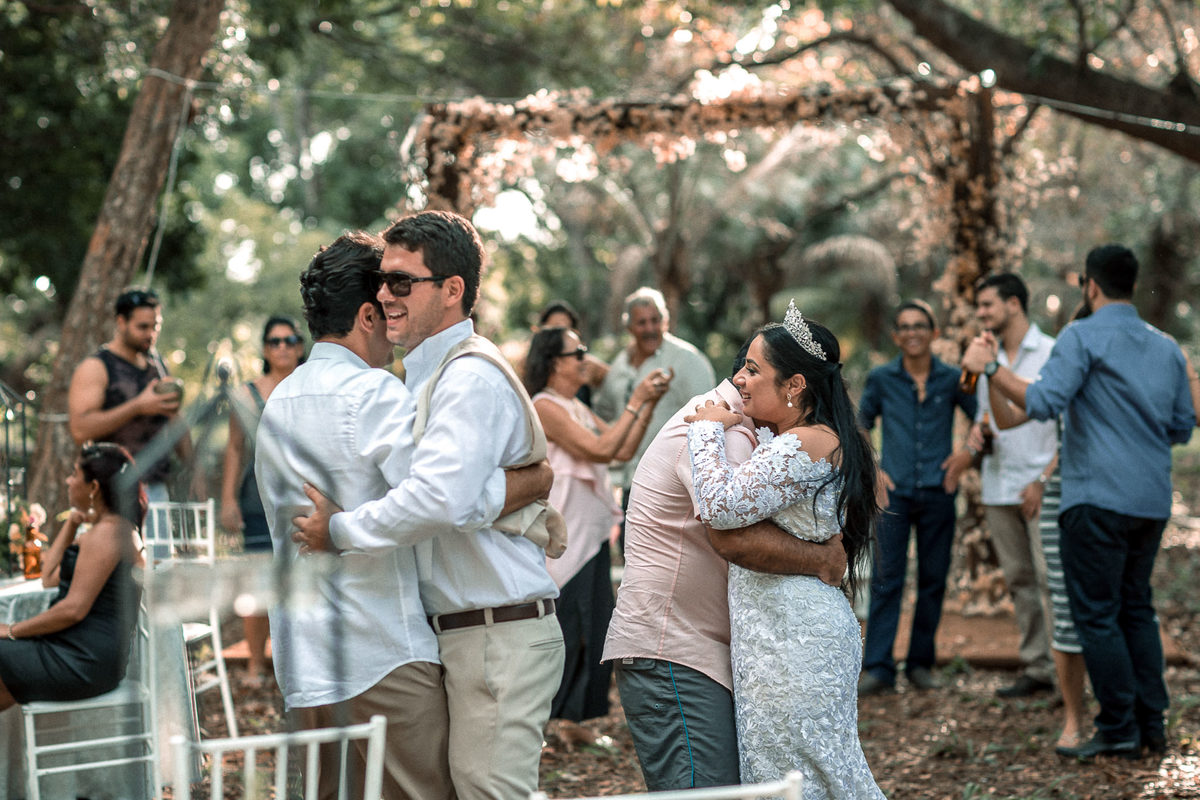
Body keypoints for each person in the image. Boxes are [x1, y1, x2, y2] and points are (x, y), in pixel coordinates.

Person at [292, 210, 565, 800]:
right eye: (381, 283)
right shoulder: (419, 378)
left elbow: (437, 499)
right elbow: (451, 497)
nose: (384, 296)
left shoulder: (467, 377)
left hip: (499, 633)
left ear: (451, 290)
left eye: (400, 282)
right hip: (464, 636)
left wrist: (338, 530)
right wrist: (518, 487)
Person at [962, 244, 1194, 760]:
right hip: (1152, 500)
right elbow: (1181, 427)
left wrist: (991, 367)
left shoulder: (1081, 336)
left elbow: (1043, 402)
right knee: (1137, 608)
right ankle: (1150, 725)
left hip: (1095, 499)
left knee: (1098, 614)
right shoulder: (1166, 346)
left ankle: (1117, 730)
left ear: (1090, 285)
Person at [602, 337, 847, 791]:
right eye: (745, 369)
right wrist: (821, 559)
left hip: (696, 650)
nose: (741, 379)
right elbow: (728, 533)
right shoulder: (722, 428)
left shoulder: (755, 430)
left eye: (754, 371)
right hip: (674, 649)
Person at [684, 306, 885, 798]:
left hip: (795, 642)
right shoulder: (799, 438)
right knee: (803, 776)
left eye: (754, 370)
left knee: (803, 778)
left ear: (795, 385)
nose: (739, 378)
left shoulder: (806, 443)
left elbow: (720, 506)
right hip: (780, 633)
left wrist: (707, 427)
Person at [523, 326, 669, 732]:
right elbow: (600, 450)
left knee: (596, 624)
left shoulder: (577, 407)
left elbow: (620, 450)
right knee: (568, 625)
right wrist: (636, 400)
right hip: (563, 540)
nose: (585, 358)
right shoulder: (546, 406)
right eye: (578, 351)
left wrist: (647, 405)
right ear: (555, 362)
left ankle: (579, 721)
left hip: (592, 537)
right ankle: (552, 723)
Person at [858, 300, 977, 694]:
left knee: (933, 579)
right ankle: (878, 667)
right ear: (896, 335)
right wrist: (874, 468)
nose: (912, 333)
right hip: (894, 497)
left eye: (920, 326)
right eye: (905, 327)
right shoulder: (881, 378)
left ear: (934, 333)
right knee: (887, 579)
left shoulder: (954, 378)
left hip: (939, 493)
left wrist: (966, 457)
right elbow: (859, 425)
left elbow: (985, 418)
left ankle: (920, 664)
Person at [0, 442, 146, 709]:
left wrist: (11, 631)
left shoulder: (107, 535)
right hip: (78, 652)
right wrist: (72, 523)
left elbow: (73, 610)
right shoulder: (109, 529)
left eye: (75, 474)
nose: (68, 480)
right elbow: (48, 577)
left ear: (94, 488)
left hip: (83, 659)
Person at [970, 273, 1058, 698]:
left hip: (1041, 485)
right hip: (997, 484)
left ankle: (1066, 673)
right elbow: (986, 416)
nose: (981, 313)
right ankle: (1037, 667)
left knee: (1050, 579)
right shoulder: (982, 355)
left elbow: (1069, 428)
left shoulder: (1053, 353)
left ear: (1015, 305)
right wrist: (975, 435)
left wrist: (1044, 481)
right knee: (1021, 581)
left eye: (987, 304)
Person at [220, 315, 305, 687]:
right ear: (265, 349)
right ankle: (256, 664)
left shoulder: (311, 386)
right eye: (274, 341)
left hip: (303, 500)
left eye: (289, 340)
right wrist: (227, 499)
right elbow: (235, 449)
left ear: (301, 346)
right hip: (255, 500)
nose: (282, 347)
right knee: (257, 583)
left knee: (298, 581)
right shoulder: (244, 395)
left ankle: (299, 663)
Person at [593, 287, 715, 545]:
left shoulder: (688, 360)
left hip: (673, 485)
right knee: (634, 559)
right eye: (642, 322)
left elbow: (711, 418)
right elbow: (602, 412)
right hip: (631, 482)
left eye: (655, 320)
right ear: (628, 326)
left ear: (666, 320)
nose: (650, 328)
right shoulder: (618, 365)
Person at [67, 287, 198, 505]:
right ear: (121, 322)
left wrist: (194, 471)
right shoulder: (97, 367)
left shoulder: (158, 365)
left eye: (156, 326)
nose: (151, 334)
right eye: (143, 327)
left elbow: (176, 421)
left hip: (156, 491)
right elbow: (80, 429)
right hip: (111, 493)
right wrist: (137, 406)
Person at [535, 300, 608, 406]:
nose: (563, 334)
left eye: (567, 329)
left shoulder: (583, 362)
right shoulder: (542, 401)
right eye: (556, 329)